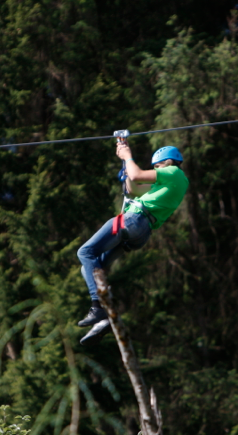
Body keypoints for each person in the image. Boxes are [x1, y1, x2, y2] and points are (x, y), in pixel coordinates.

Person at [76, 141, 189, 345]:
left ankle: (97, 307)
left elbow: (137, 175)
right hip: (141, 232)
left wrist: (128, 156)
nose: (155, 170)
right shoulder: (169, 184)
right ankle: (106, 317)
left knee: (85, 252)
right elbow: (134, 187)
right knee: (92, 269)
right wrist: (126, 172)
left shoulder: (173, 172)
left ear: (168, 162)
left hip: (133, 219)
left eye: (157, 167)